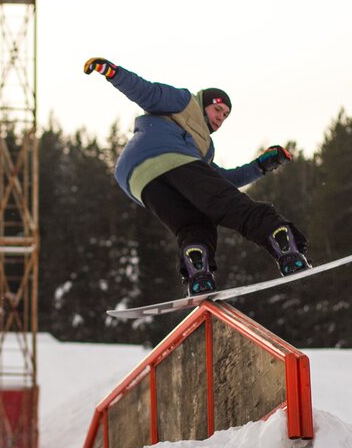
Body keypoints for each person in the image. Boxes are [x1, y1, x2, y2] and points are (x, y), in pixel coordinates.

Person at [83, 57, 310, 296]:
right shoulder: (185, 102)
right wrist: (112, 72)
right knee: (233, 207)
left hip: (138, 180)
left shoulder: (205, 149)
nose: (220, 117)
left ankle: (199, 275)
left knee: (195, 224)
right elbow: (148, 92)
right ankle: (285, 248)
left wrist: (260, 166)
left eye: (225, 115)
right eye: (217, 109)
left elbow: (222, 181)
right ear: (204, 102)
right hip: (165, 155)